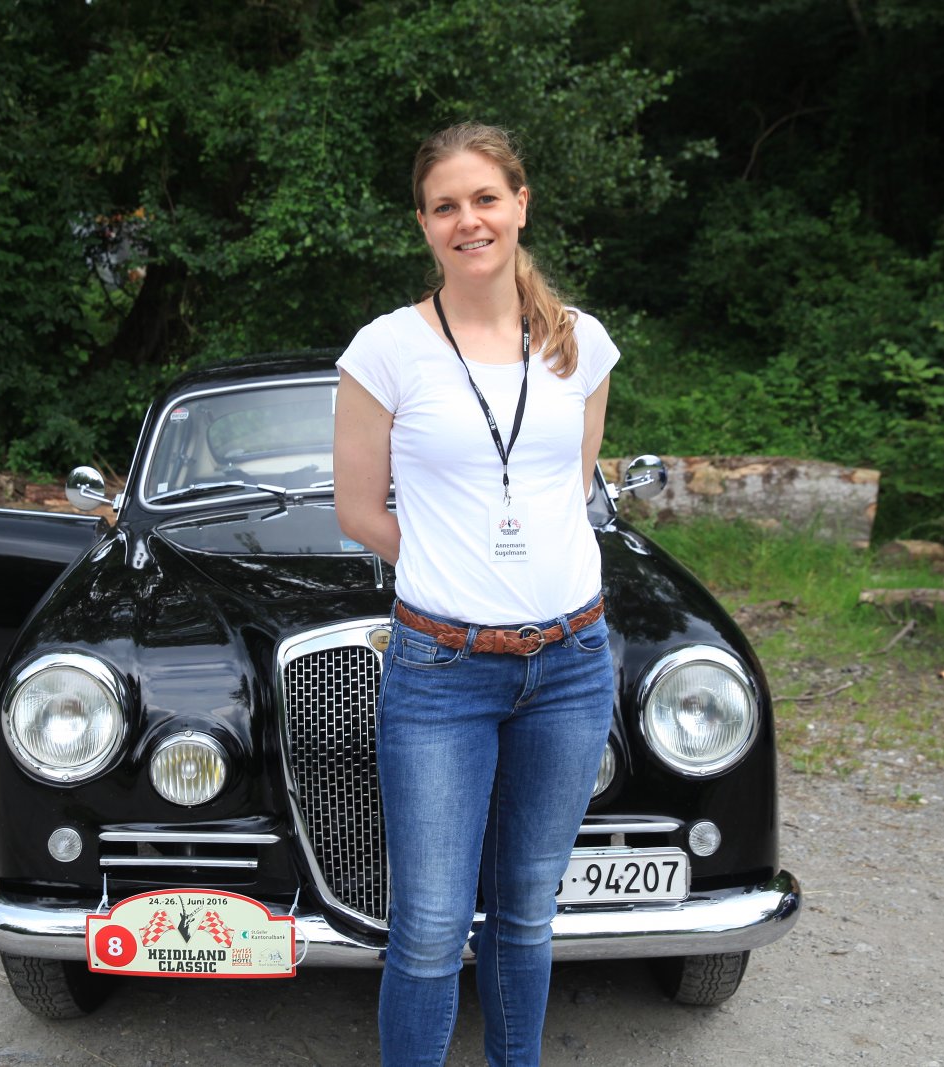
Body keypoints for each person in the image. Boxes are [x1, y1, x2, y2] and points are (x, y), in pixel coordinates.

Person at [333, 122, 620, 1067]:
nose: (470, 220)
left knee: (529, 911)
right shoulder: (386, 350)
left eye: (486, 198)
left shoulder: (581, 345)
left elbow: (569, 492)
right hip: (442, 669)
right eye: (446, 205)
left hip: (572, 663)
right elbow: (358, 510)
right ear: (424, 224)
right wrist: (454, 560)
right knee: (428, 925)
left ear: (520, 204)